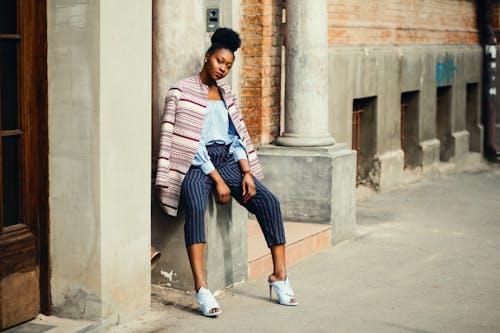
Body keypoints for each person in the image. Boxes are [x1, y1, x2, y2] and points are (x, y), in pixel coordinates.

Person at [155, 27, 298, 317]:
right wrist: (217, 179)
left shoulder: (226, 95)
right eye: (220, 61)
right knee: (194, 205)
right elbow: (186, 141)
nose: (223, 69)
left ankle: (279, 276)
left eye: (229, 66)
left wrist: (245, 172)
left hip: (227, 160)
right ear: (207, 57)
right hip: (196, 163)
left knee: (269, 202)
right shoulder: (181, 90)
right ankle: (202, 288)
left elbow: (237, 138)